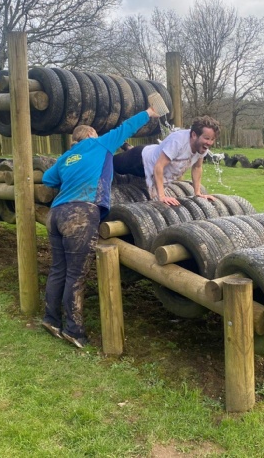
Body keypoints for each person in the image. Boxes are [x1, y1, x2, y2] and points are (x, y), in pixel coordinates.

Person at [41, 105, 160, 348]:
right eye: (95, 134)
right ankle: (73, 330)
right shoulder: (99, 144)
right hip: (81, 214)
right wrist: (149, 112)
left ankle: (51, 319)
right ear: (91, 135)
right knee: (76, 274)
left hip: (56, 214)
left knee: (58, 269)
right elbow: (126, 128)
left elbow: (47, 179)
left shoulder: (66, 157)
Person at [113, 116, 220, 206]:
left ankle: (127, 146)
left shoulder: (202, 146)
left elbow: (197, 167)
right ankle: (111, 139)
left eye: (212, 139)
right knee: (112, 163)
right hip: (140, 160)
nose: (209, 143)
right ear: (194, 135)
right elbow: (158, 166)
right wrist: (162, 196)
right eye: (207, 138)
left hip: (154, 151)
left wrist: (197, 192)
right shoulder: (178, 141)